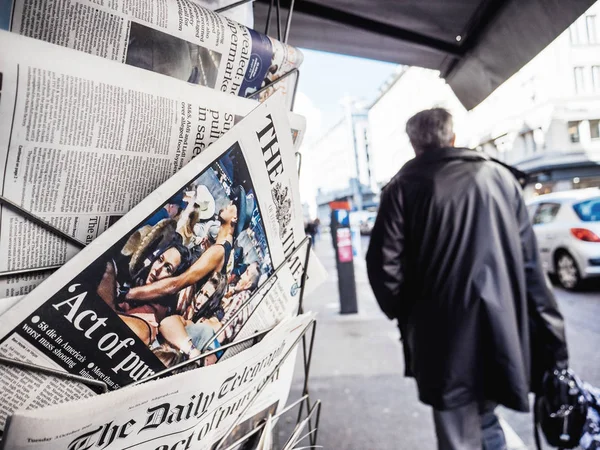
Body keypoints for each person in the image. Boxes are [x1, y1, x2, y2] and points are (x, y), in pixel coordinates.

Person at [365, 108, 569, 450]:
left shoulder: (402, 187)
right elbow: (531, 267)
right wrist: (554, 339)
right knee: (487, 415)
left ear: (414, 144)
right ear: (453, 138)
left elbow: (383, 268)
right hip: (501, 328)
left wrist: (409, 313)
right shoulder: (501, 179)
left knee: (457, 430)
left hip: (440, 336)